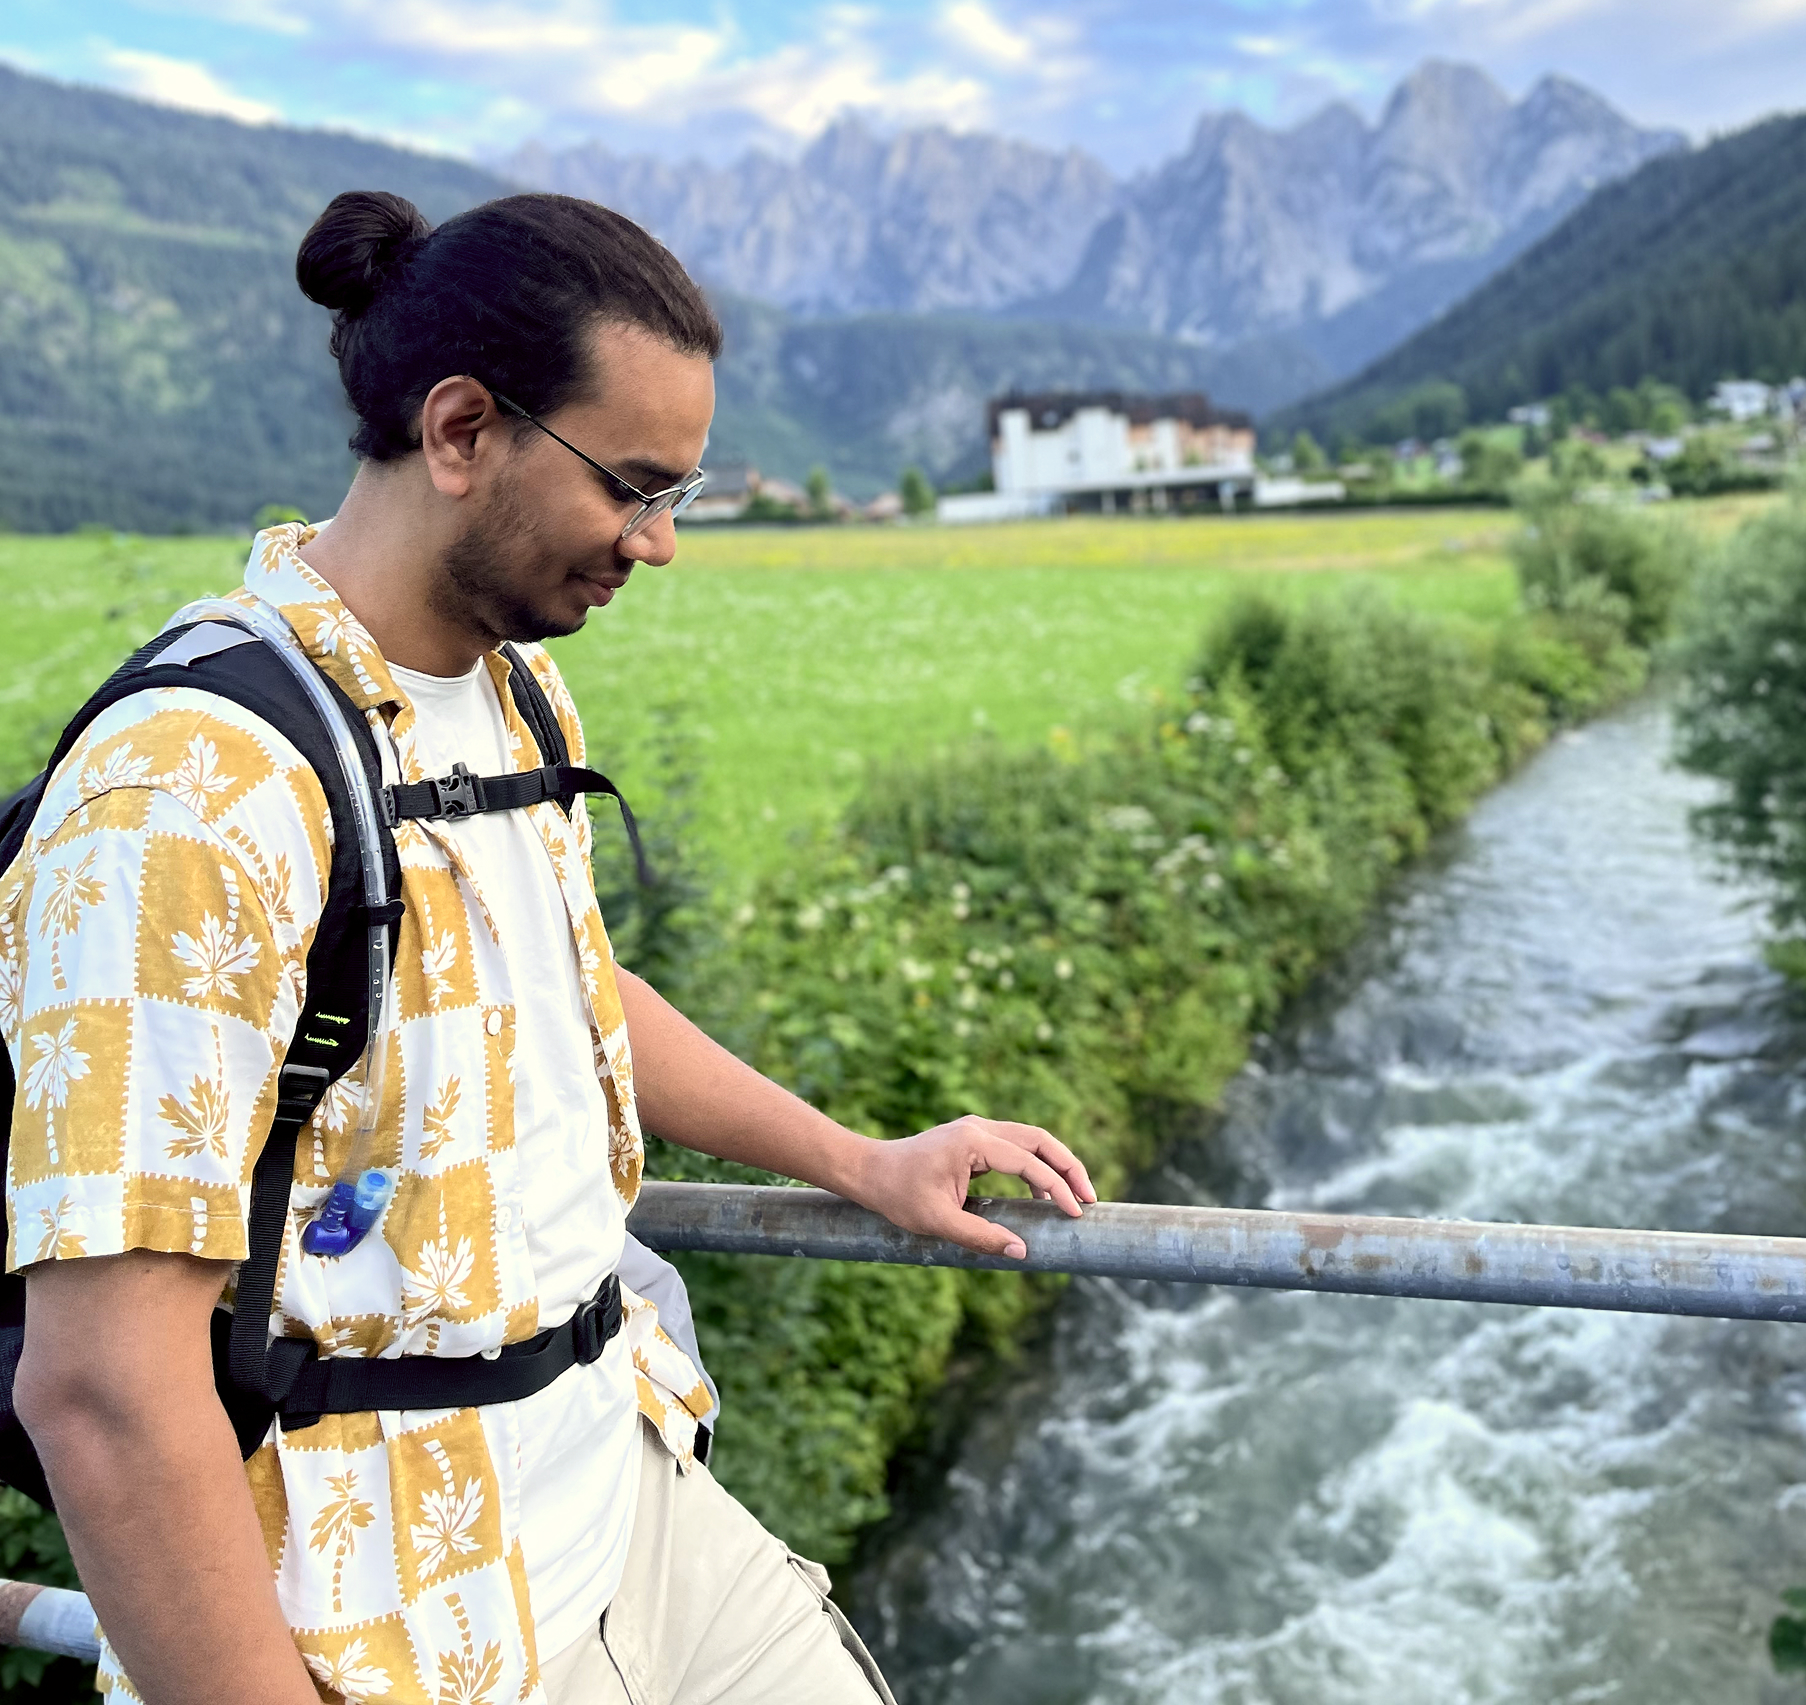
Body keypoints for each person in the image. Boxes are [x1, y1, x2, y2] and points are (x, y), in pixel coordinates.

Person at [0, 189, 1095, 1705]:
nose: (657, 543)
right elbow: (105, 1388)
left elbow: (563, 991)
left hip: (626, 1490)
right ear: (460, 431)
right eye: (633, 486)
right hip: (387, 1613)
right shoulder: (186, 798)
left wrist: (857, 1157)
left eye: (680, 493)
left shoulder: (516, 699)